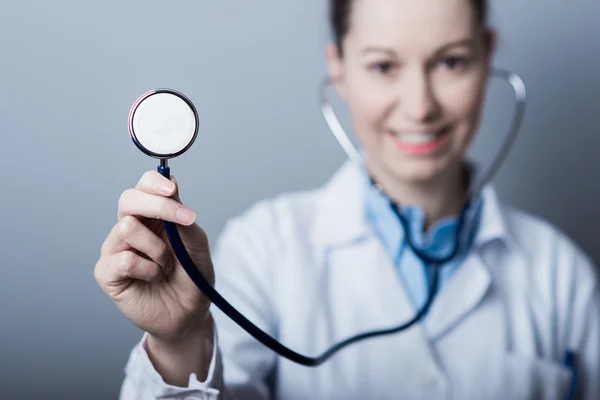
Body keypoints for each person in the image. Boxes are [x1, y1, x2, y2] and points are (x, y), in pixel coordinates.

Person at [94, 0, 600, 398]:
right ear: (338, 68)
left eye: (451, 61)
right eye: (383, 66)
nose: (420, 106)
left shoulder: (561, 276)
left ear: (488, 54)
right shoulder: (263, 250)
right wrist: (179, 342)